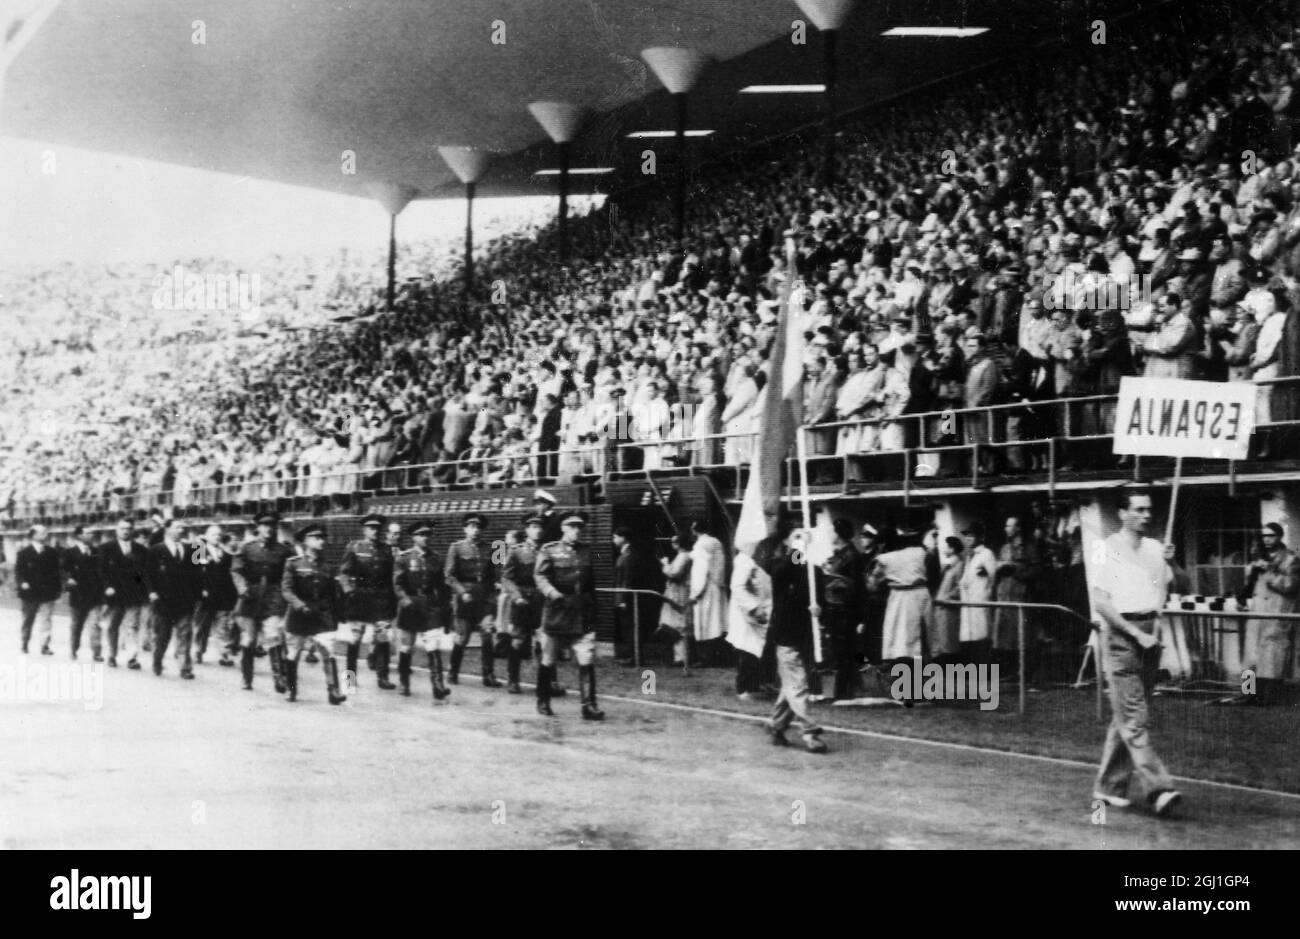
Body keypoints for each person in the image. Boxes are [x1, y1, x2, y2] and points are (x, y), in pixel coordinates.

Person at [1091, 488, 1183, 818]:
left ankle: (1108, 786)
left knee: (1126, 716)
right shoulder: (1105, 549)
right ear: (1121, 513)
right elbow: (1101, 602)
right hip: (1121, 636)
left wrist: (1172, 561)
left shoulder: (1157, 549)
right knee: (1134, 717)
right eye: (1139, 509)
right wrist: (1134, 634)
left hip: (1150, 634)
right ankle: (1160, 788)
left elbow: (1182, 585)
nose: (1146, 515)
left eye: (1149, 510)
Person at [756, 520, 827, 753]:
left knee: (791, 686)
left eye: (804, 535)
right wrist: (798, 549)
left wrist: (819, 609)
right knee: (797, 684)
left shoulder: (814, 570)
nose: (801, 538)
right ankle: (810, 731)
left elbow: (820, 598)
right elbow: (784, 570)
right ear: (786, 541)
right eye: (795, 535)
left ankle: (776, 725)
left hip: (805, 635)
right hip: (785, 634)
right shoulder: (781, 566)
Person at [533, 514, 603, 720]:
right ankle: (543, 700)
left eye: (579, 527)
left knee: (586, 658)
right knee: (548, 659)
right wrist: (552, 593)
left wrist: (593, 608)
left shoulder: (587, 551)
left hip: (582, 613)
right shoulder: (549, 550)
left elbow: (590, 584)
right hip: (557, 612)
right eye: (572, 527)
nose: (576, 531)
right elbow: (540, 576)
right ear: (563, 528)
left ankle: (589, 705)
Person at [281, 523, 347, 705]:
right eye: (317, 538)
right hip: (299, 614)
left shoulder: (327, 566)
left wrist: (339, 616)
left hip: (322, 616)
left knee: (328, 652)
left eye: (322, 538)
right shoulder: (293, 563)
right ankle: (291, 689)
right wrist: (299, 605)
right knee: (294, 652)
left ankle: (333, 691)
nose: (322, 542)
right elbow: (286, 590)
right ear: (306, 541)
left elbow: (333, 594)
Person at [231, 512, 293, 692]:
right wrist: (242, 589)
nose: (269, 529)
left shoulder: (283, 550)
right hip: (251, 597)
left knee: (273, 635)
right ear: (258, 527)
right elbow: (236, 571)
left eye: (272, 525)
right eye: (265, 525)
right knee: (249, 639)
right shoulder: (246, 548)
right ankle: (246, 678)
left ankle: (279, 678)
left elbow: (289, 574)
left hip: (273, 597)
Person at [1238, 522, 1299, 705]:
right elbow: (1251, 587)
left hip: (1276, 614)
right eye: (1264, 536)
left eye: (1271, 535)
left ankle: (1268, 698)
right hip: (1257, 614)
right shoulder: (1258, 557)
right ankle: (1248, 695)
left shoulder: (1291, 559)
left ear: (1279, 537)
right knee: (1251, 656)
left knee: (1272, 657)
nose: (1267, 539)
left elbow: (1292, 585)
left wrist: (1270, 573)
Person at [337, 513, 399, 691]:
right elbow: (344, 574)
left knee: (383, 639)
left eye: (378, 528)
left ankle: (383, 677)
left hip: (381, 601)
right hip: (360, 599)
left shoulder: (387, 550)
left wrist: (391, 599)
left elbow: (391, 577)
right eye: (371, 528)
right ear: (364, 529)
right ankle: (349, 680)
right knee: (354, 640)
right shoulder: (354, 547)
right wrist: (349, 591)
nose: (375, 531)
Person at [392, 521, 452, 701]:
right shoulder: (404, 558)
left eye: (427, 535)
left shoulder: (436, 558)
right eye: (421, 535)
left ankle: (438, 685)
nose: (425, 538)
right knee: (406, 646)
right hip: (411, 604)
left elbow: (442, 586)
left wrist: (444, 607)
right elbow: (398, 583)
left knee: (433, 644)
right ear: (413, 537)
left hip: (429, 605)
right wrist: (404, 599)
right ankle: (404, 682)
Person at [867, 526, 933, 675]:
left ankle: (910, 689)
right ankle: (919, 686)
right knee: (919, 641)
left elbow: (872, 585)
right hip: (921, 596)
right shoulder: (921, 552)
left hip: (902, 599)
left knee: (903, 644)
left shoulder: (886, 559)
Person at [444, 512, 500, 686]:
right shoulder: (456, 547)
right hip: (465, 598)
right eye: (471, 527)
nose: (475, 530)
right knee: (463, 637)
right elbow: (449, 576)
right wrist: (461, 592)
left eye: (478, 527)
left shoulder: (492, 548)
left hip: (484, 598)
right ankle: (453, 672)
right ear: (465, 529)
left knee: (487, 635)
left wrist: (493, 597)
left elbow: (495, 575)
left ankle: (488, 675)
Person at [144, 518, 201, 679]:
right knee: (163, 636)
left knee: (185, 635)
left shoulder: (192, 548)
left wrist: (198, 544)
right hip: (163, 601)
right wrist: (151, 592)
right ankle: (157, 661)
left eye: (182, 528)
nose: (181, 530)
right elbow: (147, 573)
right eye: (177, 527)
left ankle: (185, 668)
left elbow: (200, 570)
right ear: (167, 529)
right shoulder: (155, 549)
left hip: (185, 600)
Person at [819, 517, 865, 700]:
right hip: (834, 610)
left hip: (845, 611)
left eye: (832, 531)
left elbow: (856, 587)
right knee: (837, 651)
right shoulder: (838, 555)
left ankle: (843, 693)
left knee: (844, 651)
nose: (830, 534)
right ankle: (840, 690)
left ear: (839, 534)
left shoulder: (851, 556)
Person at [501, 515, 545, 694]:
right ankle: (513, 680)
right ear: (527, 530)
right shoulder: (517, 551)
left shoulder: (548, 550)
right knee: (518, 641)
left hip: (542, 601)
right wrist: (516, 596)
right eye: (533, 526)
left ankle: (547, 683)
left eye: (540, 527)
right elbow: (506, 578)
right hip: (522, 600)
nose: (537, 530)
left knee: (545, 643)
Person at [98, 517, 149, 669]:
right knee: (112, 626)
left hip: (133, 595)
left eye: (128, 528)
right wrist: (107, 586)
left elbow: (145, 573)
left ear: (132, 530)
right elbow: (101, 570)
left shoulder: (141, 550)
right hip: (114, 594)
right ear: (116, 530)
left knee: (132, 626)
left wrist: (144, 591)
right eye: (122, 528)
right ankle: (112, 655)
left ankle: (132, 658)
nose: (126, 531)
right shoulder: (106, 548)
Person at [192, 525, 238, 667]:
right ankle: (199, 649)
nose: (216, 537)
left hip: (222, 596)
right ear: (206, 536)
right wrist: (200, 589)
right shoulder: (199, 550)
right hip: (204, 595)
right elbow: (194, 572)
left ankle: (224, 653)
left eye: (219, 535)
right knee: (202, 625)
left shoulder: (227, 554)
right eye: (213, 535)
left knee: (222, 626)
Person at [16, 524, 61, 656]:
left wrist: (58, 589)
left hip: (48, 592)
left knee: (46, 620)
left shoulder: (52, 552)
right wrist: (22, 582)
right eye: (42, 533)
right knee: (28, 619)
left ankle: (45, 646)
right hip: (30, 593)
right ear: (33, 535)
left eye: (46, 533)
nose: (45, 535)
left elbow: (56, 572)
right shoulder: (23, 553)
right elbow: (19, 571)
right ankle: (25, 642)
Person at [688, 519, 728, 661]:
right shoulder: (716, 542)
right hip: (717, 586)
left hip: (705, 588)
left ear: (694, 530)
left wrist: (695, 593)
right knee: (717, 621)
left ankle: (705, 657)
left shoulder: (700, 545)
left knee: (704, 622)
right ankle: (719, 654)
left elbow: (701, 570)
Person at [62, 525, 103, 661]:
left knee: (95, 624)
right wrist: (69, 580)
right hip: (78, 594)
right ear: (79, 535)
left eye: (91, 532)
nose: (91, 535)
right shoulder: (69, 552)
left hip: (95, 595)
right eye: (87, 533)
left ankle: (96, 652)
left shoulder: (97, 551)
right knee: (76, 625)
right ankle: (74, 649)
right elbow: (63, 571)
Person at [958, 524, 997, 663]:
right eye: (966, 535)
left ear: (980, 537)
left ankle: (984, 671)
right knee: (970, 638)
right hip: (968, 605)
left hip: (980, 602)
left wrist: (986, 596)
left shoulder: (986, 554)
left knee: (981, 637)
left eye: (971, 535)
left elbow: (993, 578)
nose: (968, 538)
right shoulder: (970, 557)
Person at [658, 533, 694, 672]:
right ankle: (679, 655)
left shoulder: (684, 556)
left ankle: (681, 657)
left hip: (679, 592)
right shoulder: (684, 556)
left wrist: (665, 564)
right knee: (676, 624)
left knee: (679, 624)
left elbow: (674, 573)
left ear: (678, 544)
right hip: (677, 591)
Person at [932, 536, 964, 664]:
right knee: (942, 639)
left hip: (950, 608)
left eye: (946, 546)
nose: (944, 549)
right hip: (941, 608)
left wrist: (946, 598)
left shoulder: (959, 565)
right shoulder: (947, 566)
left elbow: (959, 587)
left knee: (949, 640)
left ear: (952, 548)